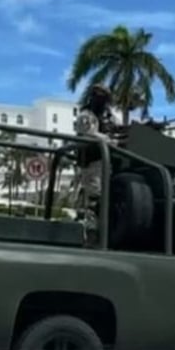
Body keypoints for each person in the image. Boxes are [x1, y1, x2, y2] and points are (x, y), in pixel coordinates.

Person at [74, 84, 115, 245]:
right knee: (94, 198)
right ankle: (91, 235)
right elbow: (90, 134)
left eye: (105, 99)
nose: (103, 102)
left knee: (105, 198)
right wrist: (111, 139)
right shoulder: (86, 115)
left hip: (104, 162)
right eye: (100, 98)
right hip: (91, 163)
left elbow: (115, 126)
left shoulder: (105, 115)